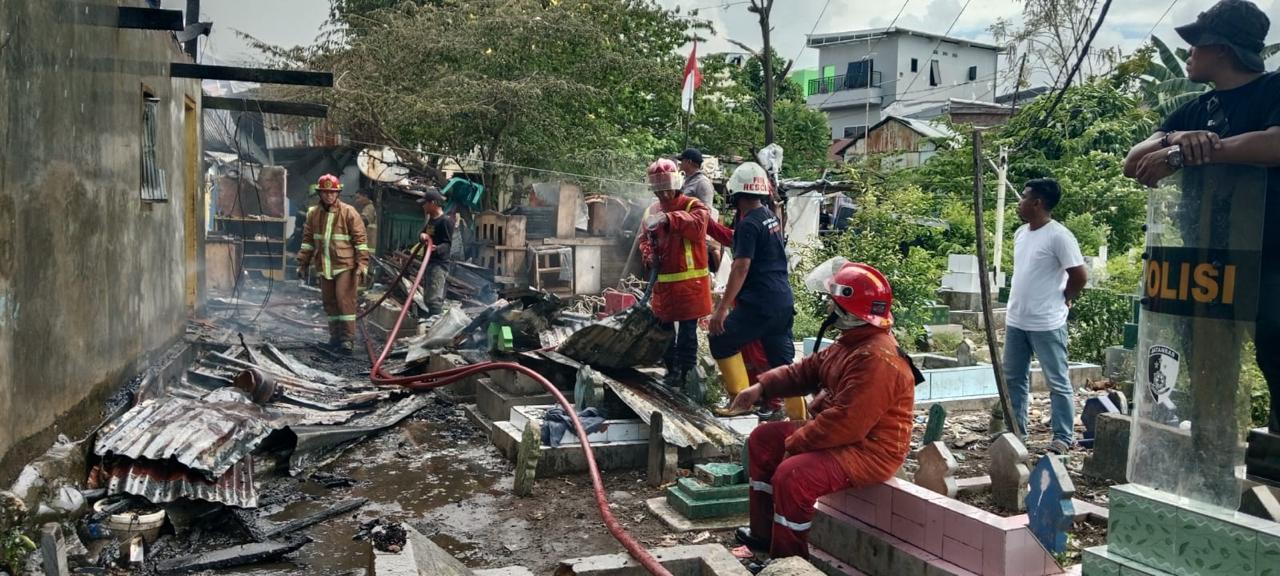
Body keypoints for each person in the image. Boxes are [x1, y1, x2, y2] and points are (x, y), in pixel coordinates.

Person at [1123, 0, 1280, 434]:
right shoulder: (1194, 110)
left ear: (1222, 49)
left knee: (1275, 348)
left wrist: (1193, 151)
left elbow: (1275, 143)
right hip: (1205, 263)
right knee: (1208, 370)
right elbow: (1133, 161)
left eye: (1195, 44)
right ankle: (1211, 451)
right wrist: (1175, 138)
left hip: (1271, 256)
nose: (1188, 53)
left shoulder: (1274, 90)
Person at [729, 261, 919, 562]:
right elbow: (807, 370)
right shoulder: (853, 342)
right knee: (763, 440)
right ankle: (763, 536)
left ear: (849, 309)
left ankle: (787, 561)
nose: (829, 305)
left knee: (793, 475)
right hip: (846, 435)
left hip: (871, 449)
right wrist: (762, 388)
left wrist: (794, 444)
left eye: (835, 301)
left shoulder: (877, 359)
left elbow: (846, 423)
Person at [1004, 178, 1087, 454]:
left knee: (1056, 380)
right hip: (1017, 320)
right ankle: (1017, 433)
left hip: (1046, 322)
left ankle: (1062, 437)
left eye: (1024, 197)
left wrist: (1066, 297)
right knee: (1014, 379)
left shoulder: (1059, 236)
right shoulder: (1021, 233)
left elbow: (1079, 274)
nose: (1020, 202)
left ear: (1037, 203)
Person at [709, 162, 797, 414]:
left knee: (720, 339)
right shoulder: (769, 216)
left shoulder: (748, 224)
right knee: (782, 361)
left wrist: (722, 309)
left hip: (760, 301)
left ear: (736, 194)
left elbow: (741, 267)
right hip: (782, 300)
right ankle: (795, 416)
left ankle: (740, 402)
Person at [638, 158, 713, 387]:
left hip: (691, 284)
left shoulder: (693, 206)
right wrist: (648, 254)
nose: (663, 195)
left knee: (688, 333)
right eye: (658, 191)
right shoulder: (651, 210)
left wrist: (670, 218)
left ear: (677, 184)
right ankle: (672, 373)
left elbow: (699, 226)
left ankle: (687, 375)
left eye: (666, 189)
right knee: (664, 332)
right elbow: (644, 239)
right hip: (664, 284)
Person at [297, 174, 371, 352]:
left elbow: (361, 241)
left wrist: (362, 265)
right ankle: (335, 337)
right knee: (329, 302)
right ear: (320, 193)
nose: (329, 196)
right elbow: (307, 241)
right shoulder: (313, 214)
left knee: (344, 300)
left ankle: (347, 339)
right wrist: (303, 263)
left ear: (338, 193)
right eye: (325, 192)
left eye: (332, 192)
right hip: (324, 265)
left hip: (345, 265)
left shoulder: (349, 212)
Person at [679, 148, 723, 275]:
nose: (680, 164)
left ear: (689, 162)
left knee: (698, 267)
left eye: (682, 161)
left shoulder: (702, 183)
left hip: (697, 233)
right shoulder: (687, 180)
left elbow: (706, 211)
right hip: (685, 231)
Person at [415, 187, 454, 317]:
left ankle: (435, 324)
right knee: (428, 297)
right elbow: (423, 233)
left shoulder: (445, 221)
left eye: (425, 203)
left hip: (439, 265)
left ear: (432, 203)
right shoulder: (431, 220)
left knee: (434, 299)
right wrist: (422, 236)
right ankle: (431, 322)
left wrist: (436, 249)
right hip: (429, 263)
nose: (423, 207)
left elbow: (448, 244)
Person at [355, 188, 379, 254]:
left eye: (358, 198)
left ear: (365, 196)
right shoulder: (367, 207)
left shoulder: (369, 208)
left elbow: (363, 221)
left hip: (369, 246)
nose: (357, 201)